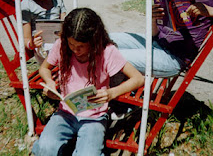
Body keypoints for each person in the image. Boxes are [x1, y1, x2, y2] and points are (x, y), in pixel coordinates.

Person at [32, 8, 144, 156]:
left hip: (95, 117)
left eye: (81, 46)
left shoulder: (106, 51)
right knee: (45, 148)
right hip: (65, 112)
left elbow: (138, 78)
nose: (75, 50)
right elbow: (44, 68)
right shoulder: (62, 45)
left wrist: (111, 93)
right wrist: (49, 82)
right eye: (71, 44)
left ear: (94, 40)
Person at [21, 0, 66, 64]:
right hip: (42, 45)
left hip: (59, 39)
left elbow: (64, 22)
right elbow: (26, 38)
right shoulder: (26, 6)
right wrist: (32, 44)